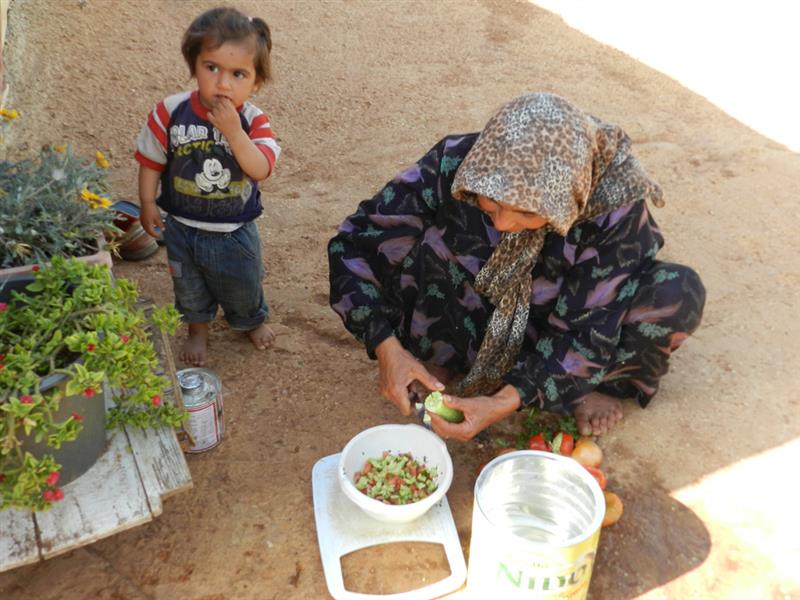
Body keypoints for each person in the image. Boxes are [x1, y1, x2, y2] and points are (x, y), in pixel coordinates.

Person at [328, 93, 705, 440]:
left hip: (554, 323)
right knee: (433, 241)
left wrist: (501, 402)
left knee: (675, 293)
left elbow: (589, 333)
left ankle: (586, 387)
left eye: (527, 212)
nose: (503, 225)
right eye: (490, 206)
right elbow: (355, 244)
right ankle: (438, 354)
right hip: (477, 308)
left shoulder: (614, 210)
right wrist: (386, 346)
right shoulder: (458, 163)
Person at [135, 7, 281, 366]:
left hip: (233, 231)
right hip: (181, 227)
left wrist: (233, 132)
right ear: (194, 65)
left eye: (238, 74)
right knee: (188, 286)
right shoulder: (170, 111)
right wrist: (146, 202)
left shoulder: (253, 121)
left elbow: (260, 168)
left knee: (243, 284)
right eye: (211, 67)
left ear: (256, 82)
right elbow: (151, 159)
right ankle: (197, 329)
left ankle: (249, 321)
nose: (223, 83)